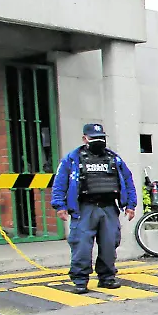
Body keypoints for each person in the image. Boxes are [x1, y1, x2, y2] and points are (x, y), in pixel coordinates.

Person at [50, 124, 138, 294]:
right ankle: (80, 281)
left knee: (109, 245)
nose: (98, 141)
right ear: (84, 139)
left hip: (109, 208)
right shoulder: (73, 158)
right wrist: (59, 205)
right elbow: (60, 183)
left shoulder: (114, 158)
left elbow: (128, 180)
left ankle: (107, 278)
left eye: (101, 138)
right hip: (84, 208)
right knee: (81, 246)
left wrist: (130, 205)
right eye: (93, 138)